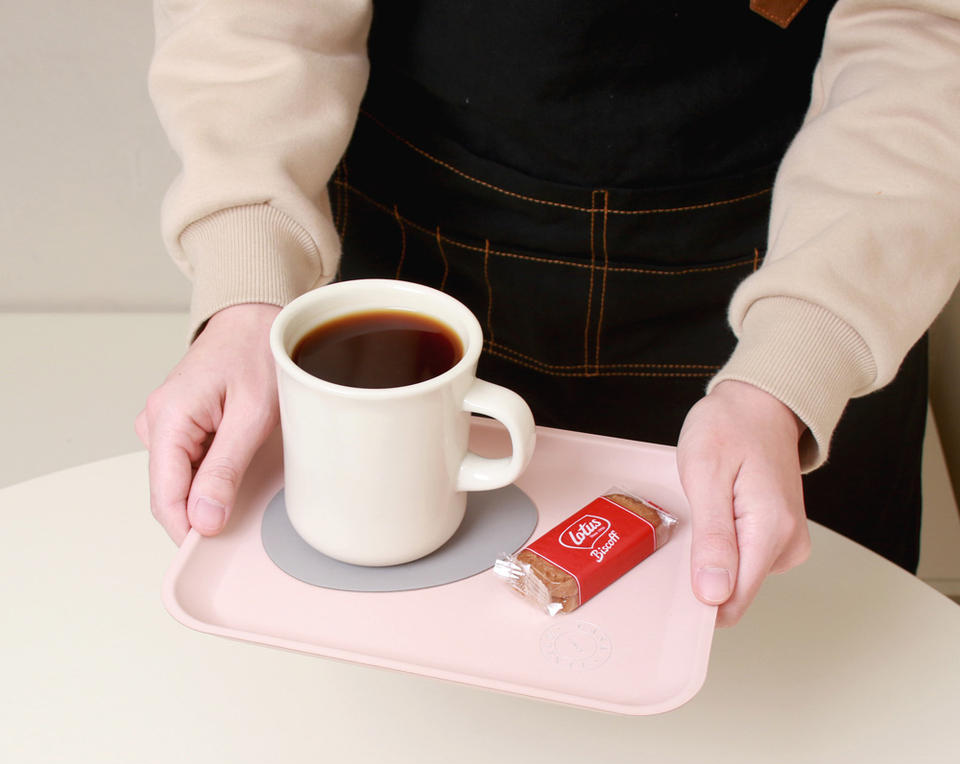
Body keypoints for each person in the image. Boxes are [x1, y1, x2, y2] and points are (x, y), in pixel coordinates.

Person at [137, 0, 960, 626]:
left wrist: (798, 363)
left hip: (810, 260)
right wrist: (245, 282)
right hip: (413, 242)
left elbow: (926, 32)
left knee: (799, 696)